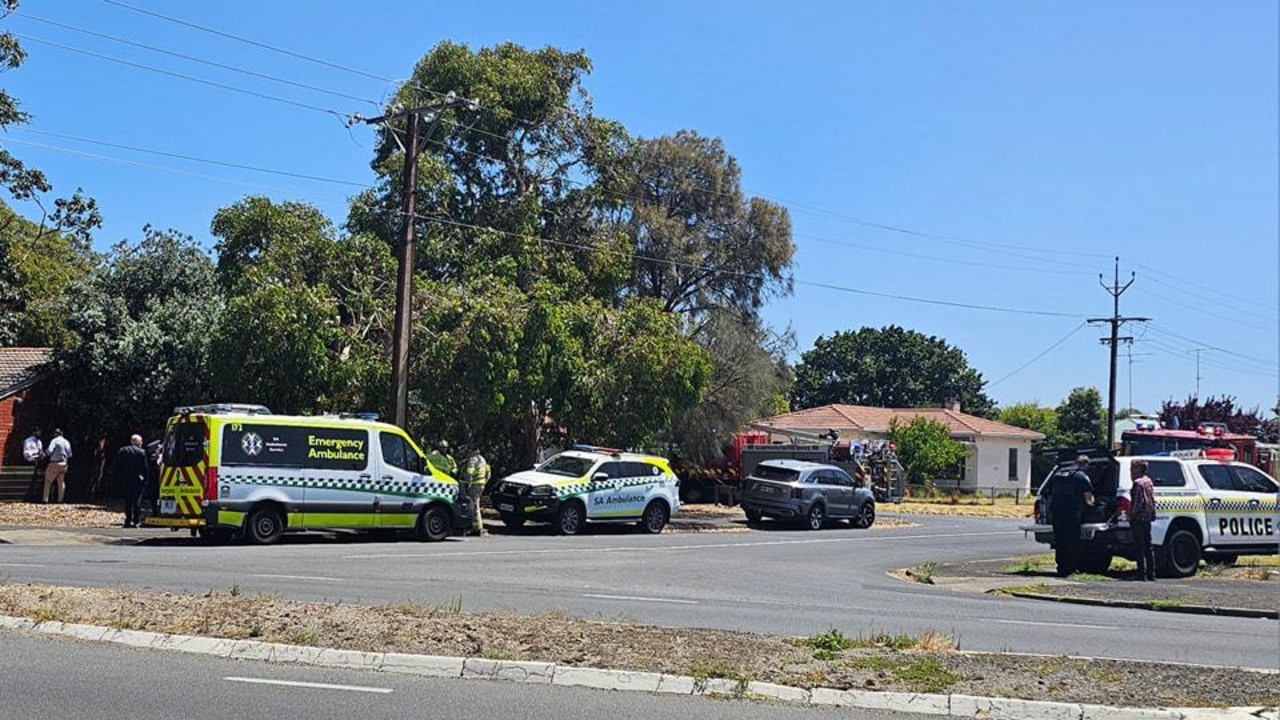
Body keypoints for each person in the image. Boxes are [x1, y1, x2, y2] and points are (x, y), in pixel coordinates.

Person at [1050, 454, 1096, 577]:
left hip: (1056, 512)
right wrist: (1092, 508)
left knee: (1060, 541)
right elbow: (1088, 499)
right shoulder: (1080, 476)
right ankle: (1070, 568)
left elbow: (1050, 492)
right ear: (1085, 464)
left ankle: (1061, 567)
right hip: (1071, 513)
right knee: (1072, 541)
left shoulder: (1059, 473)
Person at [1128, 459, 1157, 582]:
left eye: (1133, 468)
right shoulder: (1149, 481)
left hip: (1138, 518)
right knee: (1148, 546)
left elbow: (1138, 502)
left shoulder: (1137, 483)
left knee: (1139, 547)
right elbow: (1152, 499)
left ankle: (1141, 574)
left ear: (1138, 469)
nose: (1131, 471)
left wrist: (1132, 514)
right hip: (1147, 517)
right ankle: (1151, 573)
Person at [114, 435, 150, 528]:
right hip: (138, 479)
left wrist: (118, 477)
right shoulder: (141, 452)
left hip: (125, 479)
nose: (142, 443)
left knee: (127, 501)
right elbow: (145, 467)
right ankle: (136, 521)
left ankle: (127, 521)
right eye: (141, 441)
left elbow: (117, 466)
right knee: (137, 501)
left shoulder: (122, 451)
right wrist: (146, 479)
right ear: (137, 442)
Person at [462, 449, 491, 536]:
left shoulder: (473, 460)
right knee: (476, 504)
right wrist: (484, 481)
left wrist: (468, 483)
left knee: (474, 506)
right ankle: (476, 527)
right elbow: (488, 474)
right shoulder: (483, 459)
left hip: (474, 484)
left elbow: (469, 472)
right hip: (481, 484)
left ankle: (477, 528)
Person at [43, 428, 72, 504]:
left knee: (48, 481)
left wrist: (44, 453)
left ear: (55, 434)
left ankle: (45, 499)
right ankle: (60, 500)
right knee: (61, 482)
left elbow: (49, 451)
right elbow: (70, 454)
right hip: (64, 463)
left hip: (54, 463)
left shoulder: (54, 441)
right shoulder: (67, 442)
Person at [22, 427, 43, 502]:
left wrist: (41, 454)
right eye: (38, 432)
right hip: (31, 460)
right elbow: (26, 452)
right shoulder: (28, 441)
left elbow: (40, 450)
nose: (39, 433)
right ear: (34, 432)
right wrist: (34, 454)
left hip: (38, 460)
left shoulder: (39, 441)